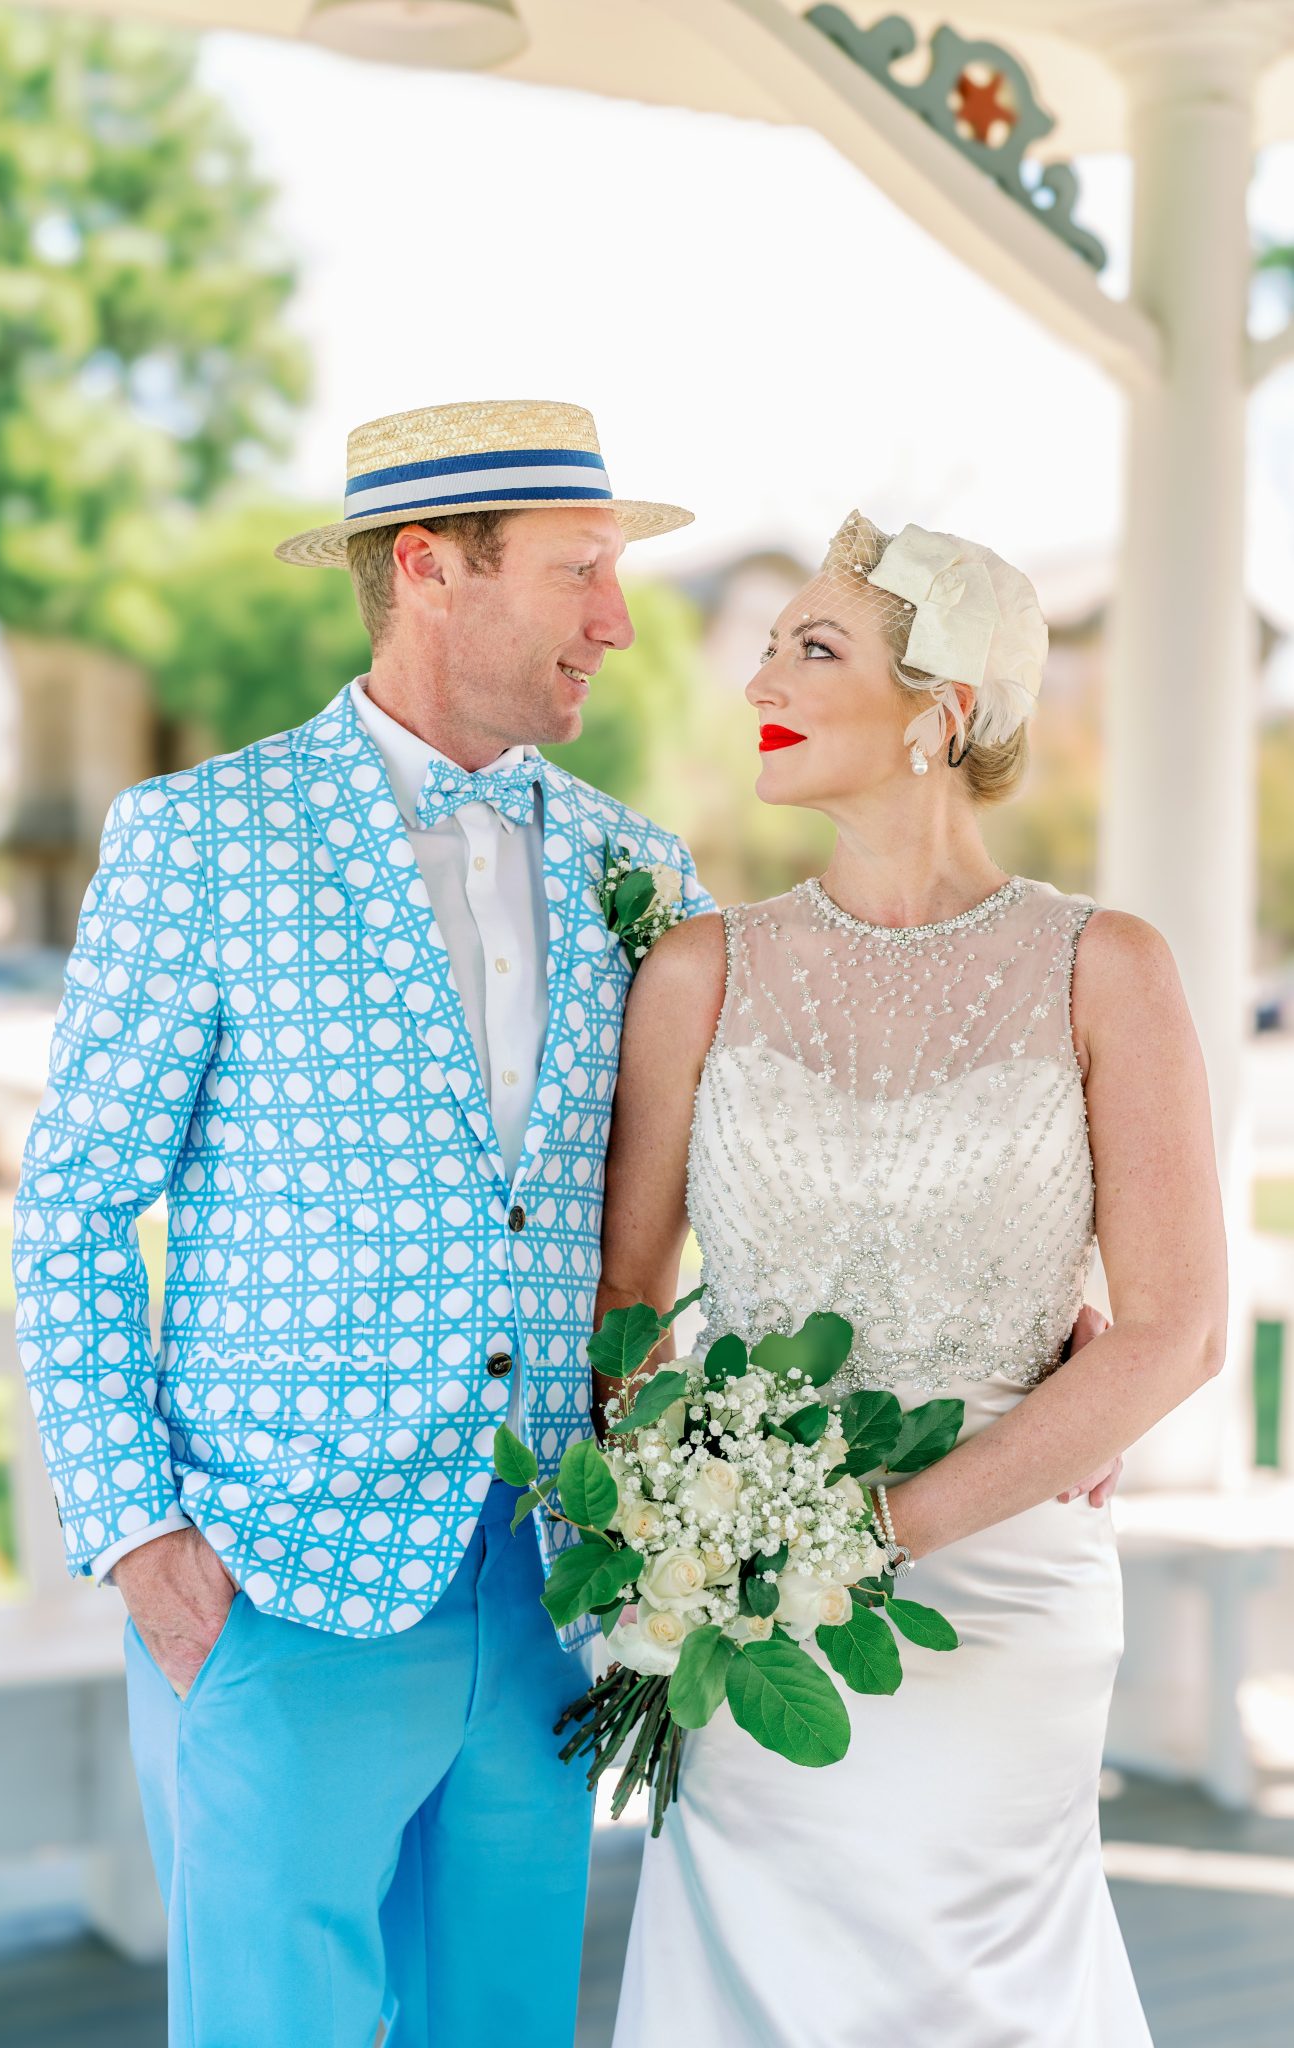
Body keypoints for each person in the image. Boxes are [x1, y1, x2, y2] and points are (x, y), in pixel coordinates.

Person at [11, 398, 712, 2048]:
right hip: (275, 1585)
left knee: (503, 2026)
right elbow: (75, 1208)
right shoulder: (201, 839)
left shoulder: (643, 870)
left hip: (544, 1585)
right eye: (579, 573)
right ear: (427, 570)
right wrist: (142, 1537)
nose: (615, 619)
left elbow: (716, 1169)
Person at [599, 509, 1227, 2047]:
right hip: (744, 1603)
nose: (761, 673)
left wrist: (882, 1528)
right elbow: (615, 1309)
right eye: (767, 643)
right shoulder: (697, 972)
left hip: (1004, 1597)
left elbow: (1174, 1332)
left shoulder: (1107, 968)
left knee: (980, 1990)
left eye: (812, 648)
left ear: (941, 714)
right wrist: (703, 1509)